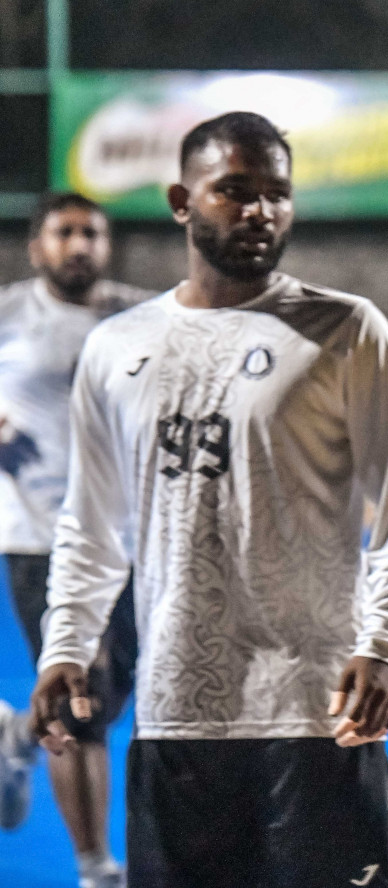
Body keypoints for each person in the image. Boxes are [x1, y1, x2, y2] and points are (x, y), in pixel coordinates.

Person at [29, 112, 388, 888]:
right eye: (234, 191)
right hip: (173, 715)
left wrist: (384, 646)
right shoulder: (116, 347)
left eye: (276, 193)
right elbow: (90, 526)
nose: (259, 211)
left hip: (314, 711)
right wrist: (65, 647)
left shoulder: (345, 330)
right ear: (183, 200)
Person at [0, 192, 149, 887]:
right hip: (37, 537)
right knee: (78, 698)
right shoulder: (8, 317)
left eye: (92, 232)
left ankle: (14, 734)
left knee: (110, 693)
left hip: (129, 542)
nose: (79, 244)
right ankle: (96, 867)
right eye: (64, 233)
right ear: (38, 247)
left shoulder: (143, 316)